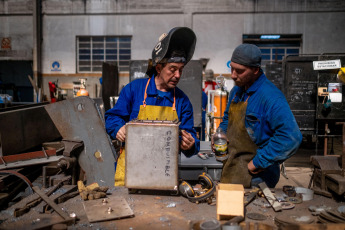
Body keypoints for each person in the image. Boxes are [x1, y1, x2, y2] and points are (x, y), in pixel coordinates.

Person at [105, 27, 200, 186]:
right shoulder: (134, 90)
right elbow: (112, 117)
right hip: (130, 172)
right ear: (158, 68)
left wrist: (191, 144)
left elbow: (191, 137)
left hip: (165, 175)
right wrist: (117, 129)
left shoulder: (182, 101)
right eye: (172, 69)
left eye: (181, 70)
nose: (177, 75)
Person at [212, 44, 302, 188]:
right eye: (232, 68)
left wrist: (259, 161)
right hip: (232, 167)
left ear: (255, 70)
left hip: (257, 177)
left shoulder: (270, 97)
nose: (233, 75)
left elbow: (291, 137)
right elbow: (227, 118)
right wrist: (220, 134)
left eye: (240, 71)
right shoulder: (236, 91)